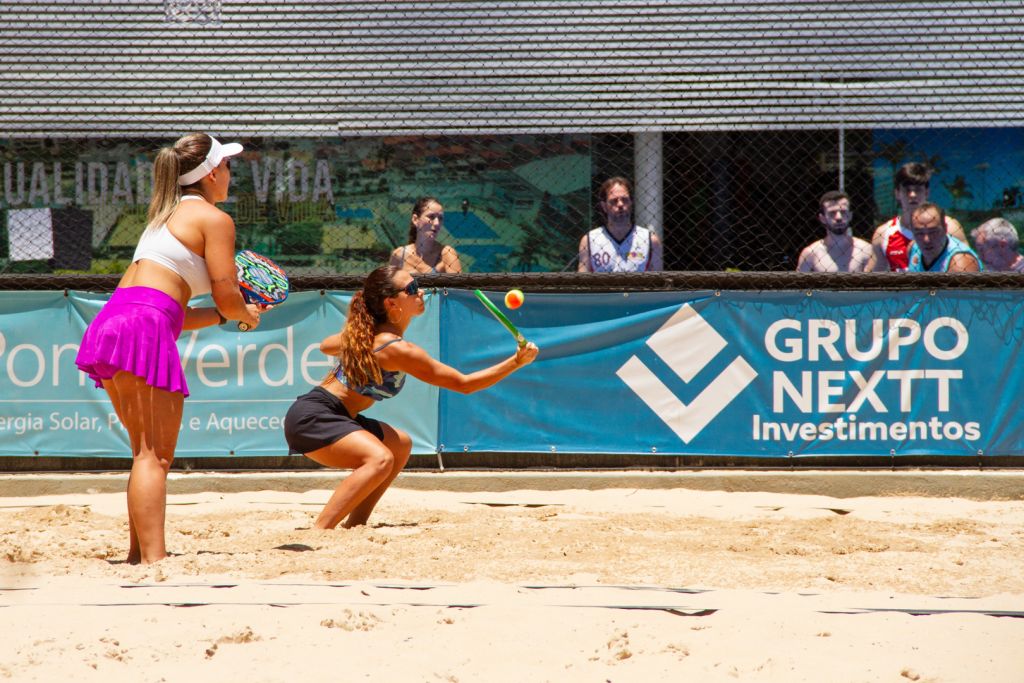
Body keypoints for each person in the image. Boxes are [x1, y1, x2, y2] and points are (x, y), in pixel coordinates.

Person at [74, 133, 263, 564]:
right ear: (212, 173)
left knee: (143, 451)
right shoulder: (215, 220)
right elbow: (227, 297)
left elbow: (170, 310)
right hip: (142, 323)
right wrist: (244, 315)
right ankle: (155, 563)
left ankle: (139, 556)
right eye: (228, 166)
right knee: (154, 455)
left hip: (115, 321)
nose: (231, 175)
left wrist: (223, 316)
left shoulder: (162, 218)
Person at [284, 265, 538, 530]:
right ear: (392, 303)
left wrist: (360, 336)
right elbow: (464, 385)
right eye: (413, 289)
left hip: (328, 414)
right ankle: (321, 530)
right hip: (313, 417)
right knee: (380, 459)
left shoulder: (371, 337)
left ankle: (355, 525)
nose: (422, 292)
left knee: (400, 444)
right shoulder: (395, 349)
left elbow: (327, 345)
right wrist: (516, 362)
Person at [869, 162, 967, 271]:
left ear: (926, 192)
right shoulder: (883, 234)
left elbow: (969, 265)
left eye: (918, 189)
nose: (912, 195)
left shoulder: (950, 227)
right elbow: (872, 279)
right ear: (897, 193)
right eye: (907, 190)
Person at [578, 177, 663, 272]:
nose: (620, 204)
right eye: (614, 201)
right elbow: (582, 283)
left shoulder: (650, 240)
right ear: (604, 206)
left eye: (625, 199)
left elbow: (658, 283)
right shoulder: (589, 240)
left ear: (631, 202)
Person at [796, 190, 872, 272]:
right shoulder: (810, 253)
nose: (838, 217)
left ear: (850, 215)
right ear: (822, 218)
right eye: (832, 213)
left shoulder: (866, 250)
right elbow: (798, 284)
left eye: (843, 212)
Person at [389, 196, 463, 273]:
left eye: (440, 218)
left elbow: (458, 285)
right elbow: (391, 284)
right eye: (431, 217)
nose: (437, 223)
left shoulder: (447, 253)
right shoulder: (399, 255)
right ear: (415, 219)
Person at [906, 202, 981, 272]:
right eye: (919, 233)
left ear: (945, 228)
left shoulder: (961, 264)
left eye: (933, 232)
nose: (926, 239)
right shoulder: (912, 248)